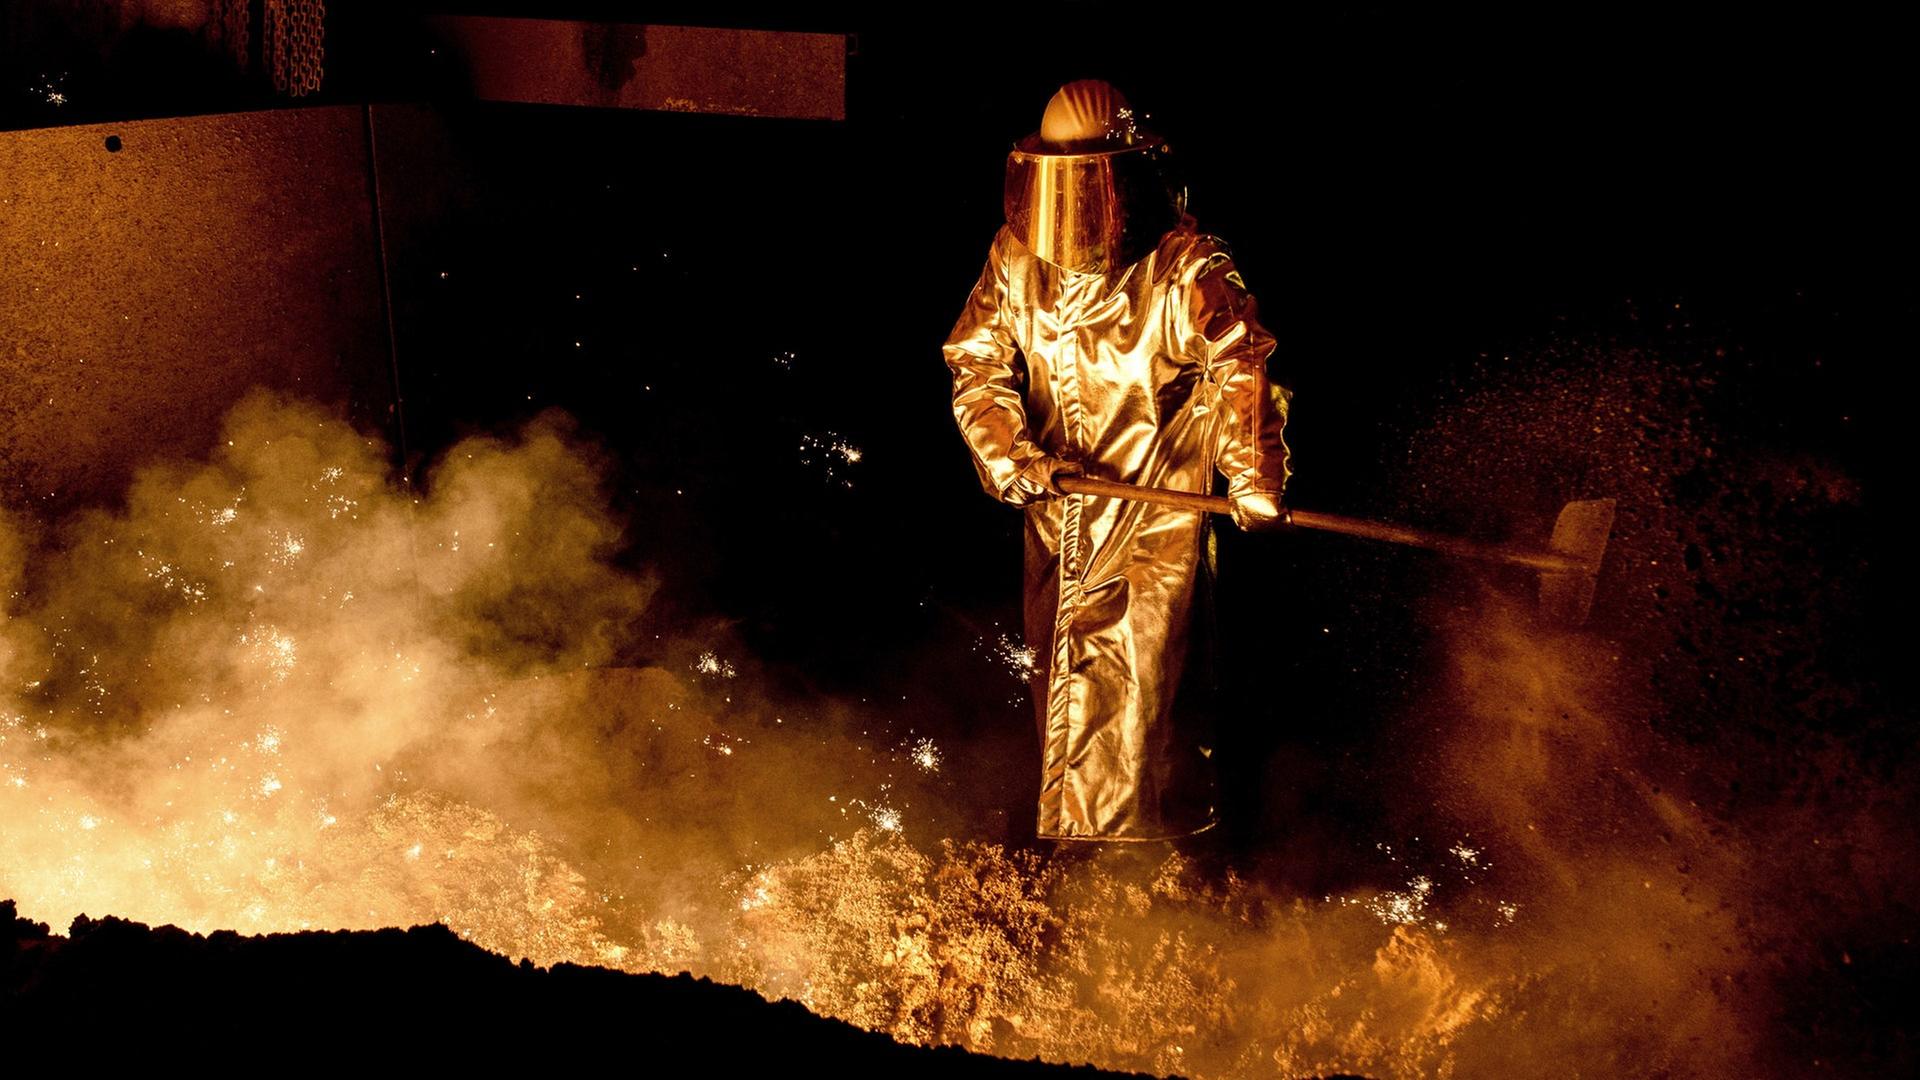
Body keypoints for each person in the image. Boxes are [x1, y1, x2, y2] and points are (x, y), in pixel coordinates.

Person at [943, 79, 1292, 843]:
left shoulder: (1185, 266)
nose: (1078, 207)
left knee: (1150, 700)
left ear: (1132, 173)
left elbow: (1242, 365)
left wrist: (1253, 473)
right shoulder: (1016, 259)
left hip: (1155, 519)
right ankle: (1081, 863)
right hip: (1058, 516)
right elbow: (976, 363)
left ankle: (1169, 871)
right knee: (1065, 686)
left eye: (1096, 174)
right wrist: (1012, 457)